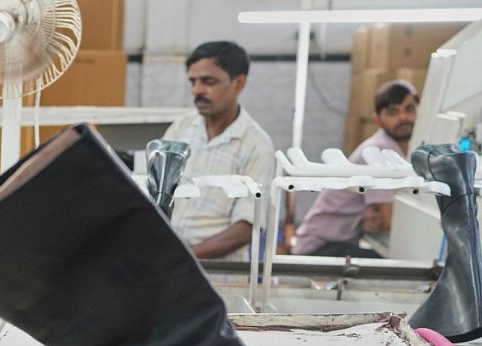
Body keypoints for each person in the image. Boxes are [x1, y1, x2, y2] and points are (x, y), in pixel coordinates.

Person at [163, 41, 275, 259]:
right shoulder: (182, 128)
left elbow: (247, 227)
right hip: (168, 257)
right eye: (193, 81)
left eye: (209, 81)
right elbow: (156, 193)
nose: (197, 90)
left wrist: (185, 258)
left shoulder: (256, 145)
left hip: (217, 270)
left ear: (238, 84)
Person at [292, 80, 420, 257]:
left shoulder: (406, 149)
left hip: (340, 241)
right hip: (319, 247)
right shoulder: (379, 150)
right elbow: (389, 221)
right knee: (403, 263)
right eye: (393, 112)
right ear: (377, 119)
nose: (403, 117)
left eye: (409, 109)